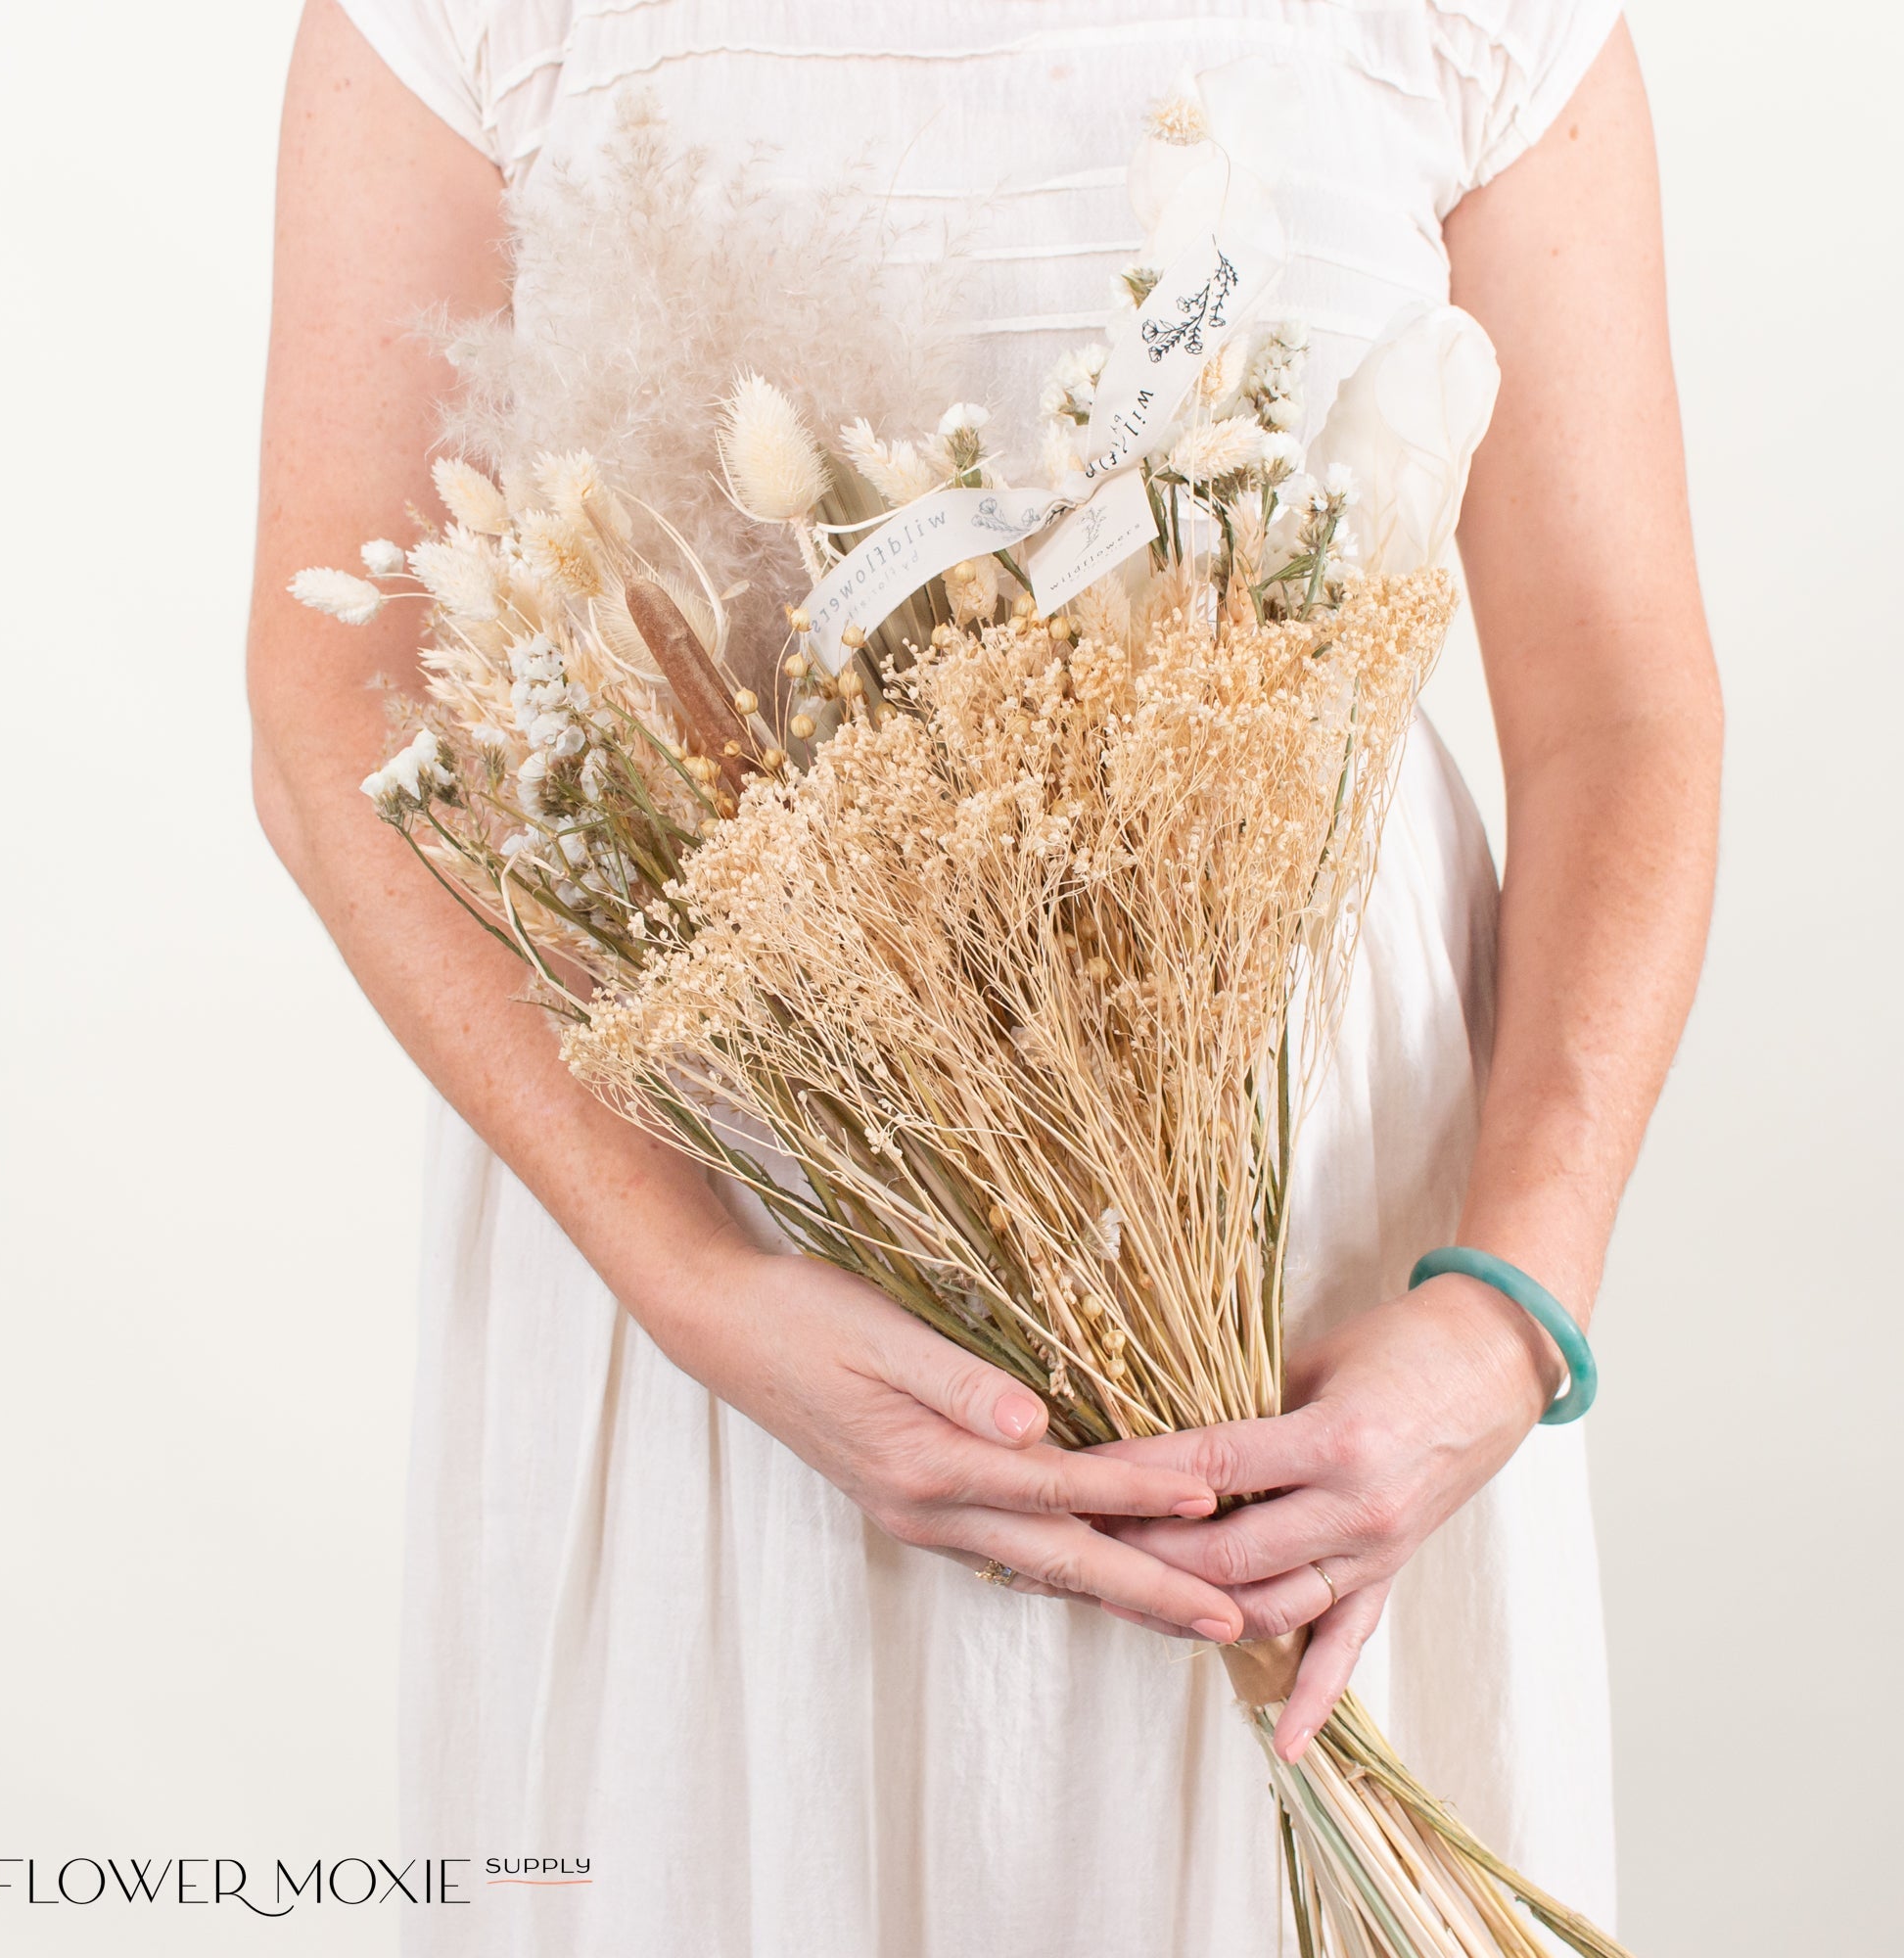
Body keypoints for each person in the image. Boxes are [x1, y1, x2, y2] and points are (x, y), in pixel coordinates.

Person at [248, 4, 1720, 1952]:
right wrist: (692, 1278)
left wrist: (1510, 1303)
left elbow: (1619, 701)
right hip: (748, 1221)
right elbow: (334, 690)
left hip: (1313, 1255)